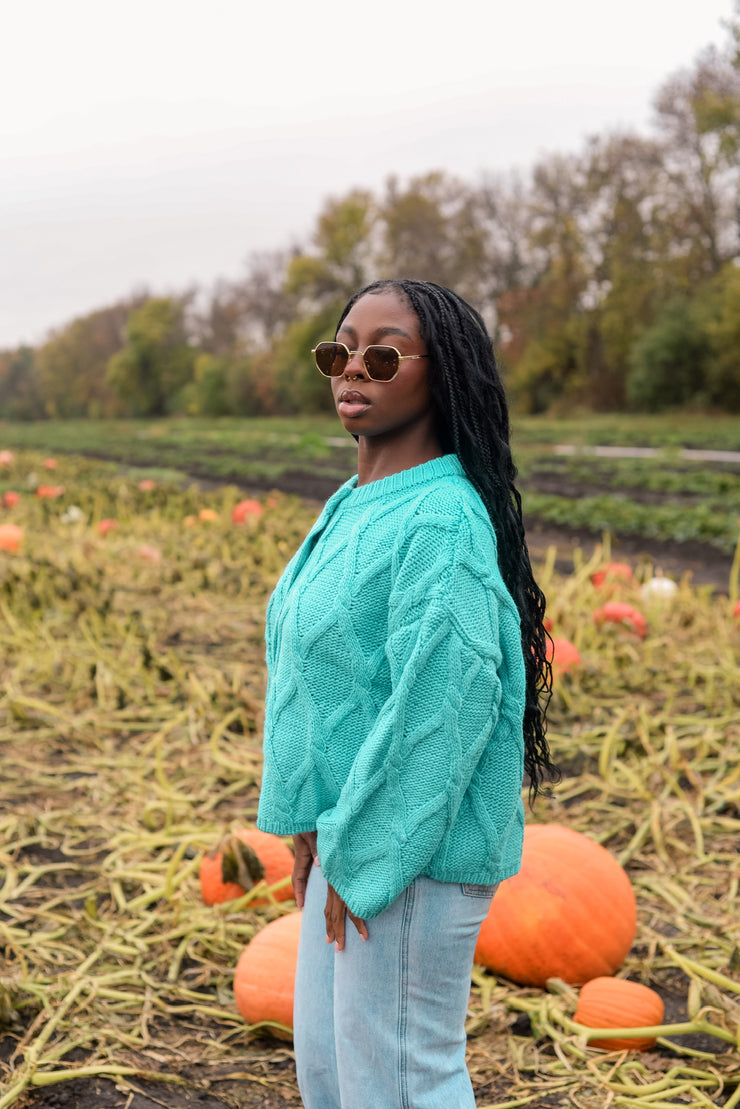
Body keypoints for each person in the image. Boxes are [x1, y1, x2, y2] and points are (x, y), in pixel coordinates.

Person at [256, 278, 556, 1108]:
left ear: (442, 373)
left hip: (411, 852)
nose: (353, 368)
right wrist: (313, 825)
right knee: (330, 1073)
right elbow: (325, 683)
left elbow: (443, 707)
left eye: (382, 353)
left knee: (400, 1081)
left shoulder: (442, 522)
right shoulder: (356, 501)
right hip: (353, 839)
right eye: (338, 349)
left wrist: (369, 855)